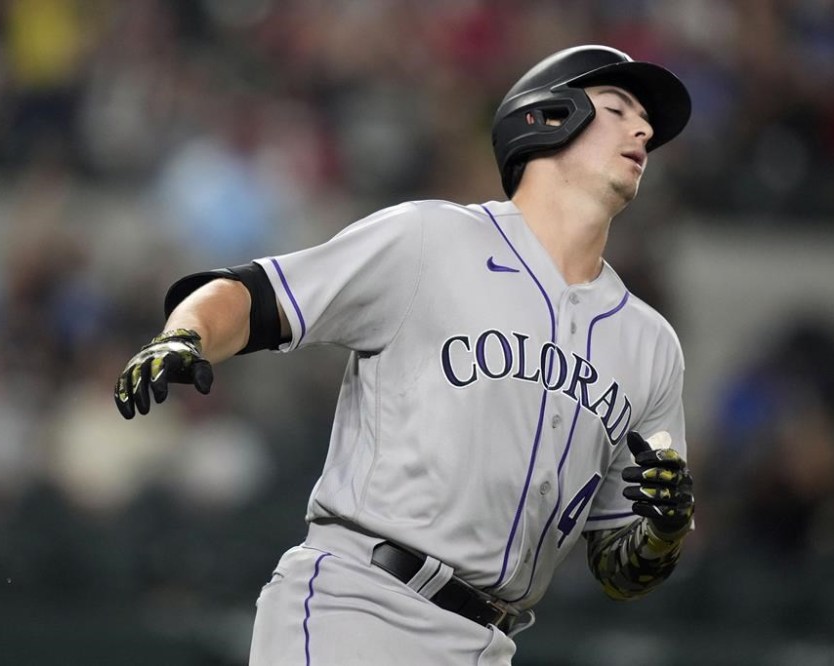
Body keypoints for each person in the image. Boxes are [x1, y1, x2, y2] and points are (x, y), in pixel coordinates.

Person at [114, 44, 696, 666]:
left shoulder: (650, 346)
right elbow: (255, 295)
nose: (643, 130)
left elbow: (619, 568)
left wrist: (663, 531)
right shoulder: (429, 241)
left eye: (647, 123)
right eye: (617, 108)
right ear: (550, 116)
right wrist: (186, 332)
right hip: (358, 607)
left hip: (487, 645)